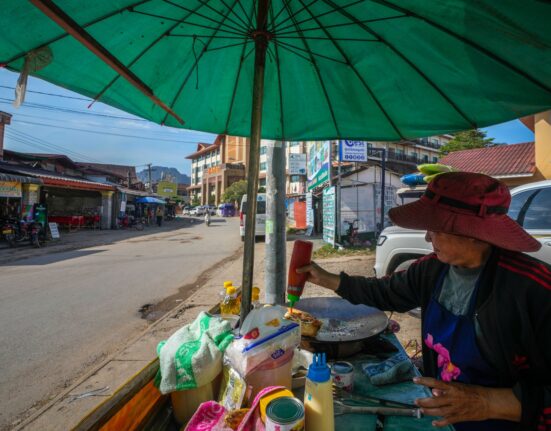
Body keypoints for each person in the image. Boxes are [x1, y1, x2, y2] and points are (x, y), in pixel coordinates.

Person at [298, 172, 551, 430]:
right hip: (442, 420)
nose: (428, 238)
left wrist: (487, 402)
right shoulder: (433, 269)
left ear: (474, 233)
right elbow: (385, 292)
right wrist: (327, 279)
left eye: (436, 228)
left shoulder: (534, 289)